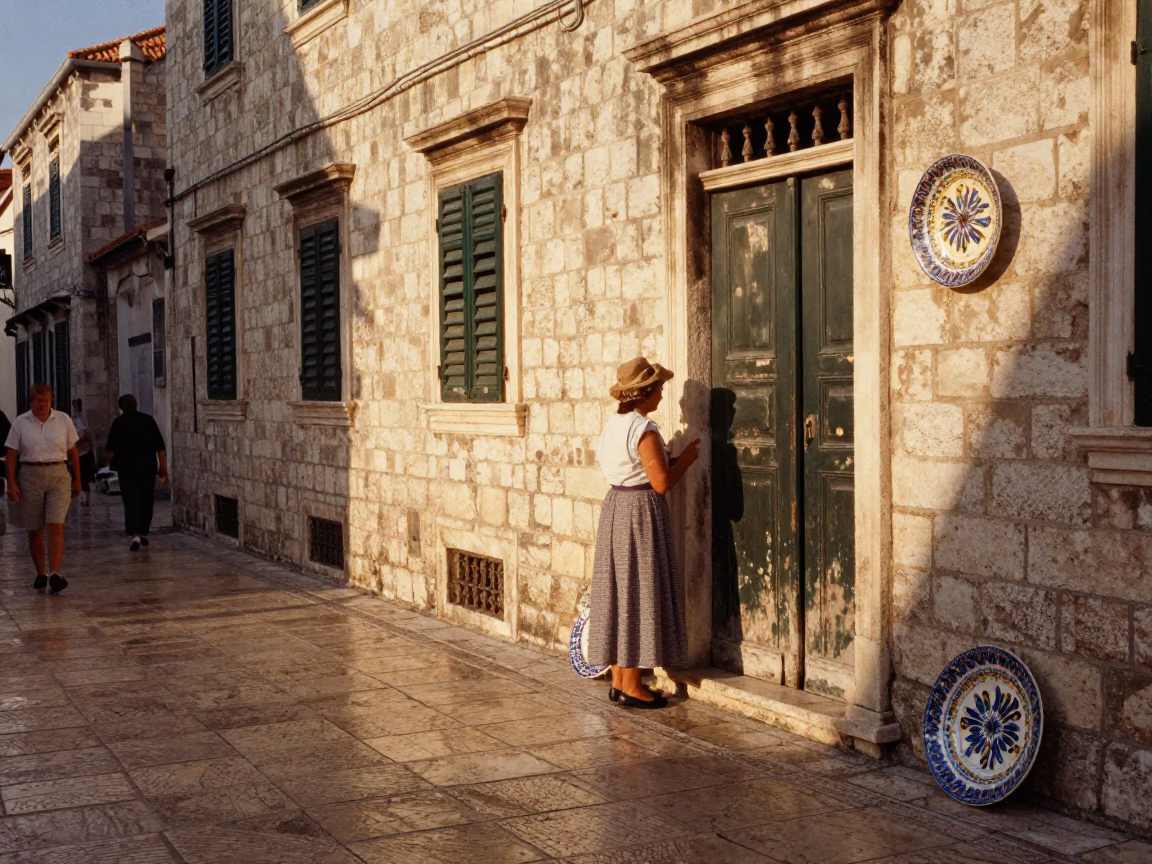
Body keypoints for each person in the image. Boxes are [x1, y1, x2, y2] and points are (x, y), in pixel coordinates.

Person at [587, 357, 700, 709]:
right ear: (645, 393)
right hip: (638, 513)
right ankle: (633, 684)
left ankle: (622, 680)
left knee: (621, 591)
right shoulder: (643, 430)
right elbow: (662, 482)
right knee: (636, 591)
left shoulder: (613, 425)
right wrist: (686, 459)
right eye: (660, 390)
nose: (662, 397)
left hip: (616, 509)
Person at [4, 383, 82, 594]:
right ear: (32, 401)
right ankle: (41, 573)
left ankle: (55, 574)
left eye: (46, 400)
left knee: (55, 524)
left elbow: (73, 451)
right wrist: (11, 482)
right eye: (39, 400)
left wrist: (78, 479)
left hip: (58, 473)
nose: (43, 404)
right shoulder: (20, 423)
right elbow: (11, 455)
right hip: (30, 475)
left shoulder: (63, 420)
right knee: (36, 528)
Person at [104, 394, 167, 551]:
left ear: (121, 408)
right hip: (147, 467)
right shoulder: (148, 420)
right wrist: (163, 468)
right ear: (136, 404)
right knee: (146, 498)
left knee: (131, 500)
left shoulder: (118, 423)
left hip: (127, 469)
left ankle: (136, 535)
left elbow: (110, 449)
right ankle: (144, 531)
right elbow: (160, 447)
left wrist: (110, 464)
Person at [71, 398, 96, 507]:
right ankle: (83, 498)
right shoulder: (75, 419)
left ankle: (85, 498)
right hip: (82, 452)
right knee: (82, 477)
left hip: (83, 453)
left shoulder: (80, 419)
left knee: (83, 476)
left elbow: (86, 437)